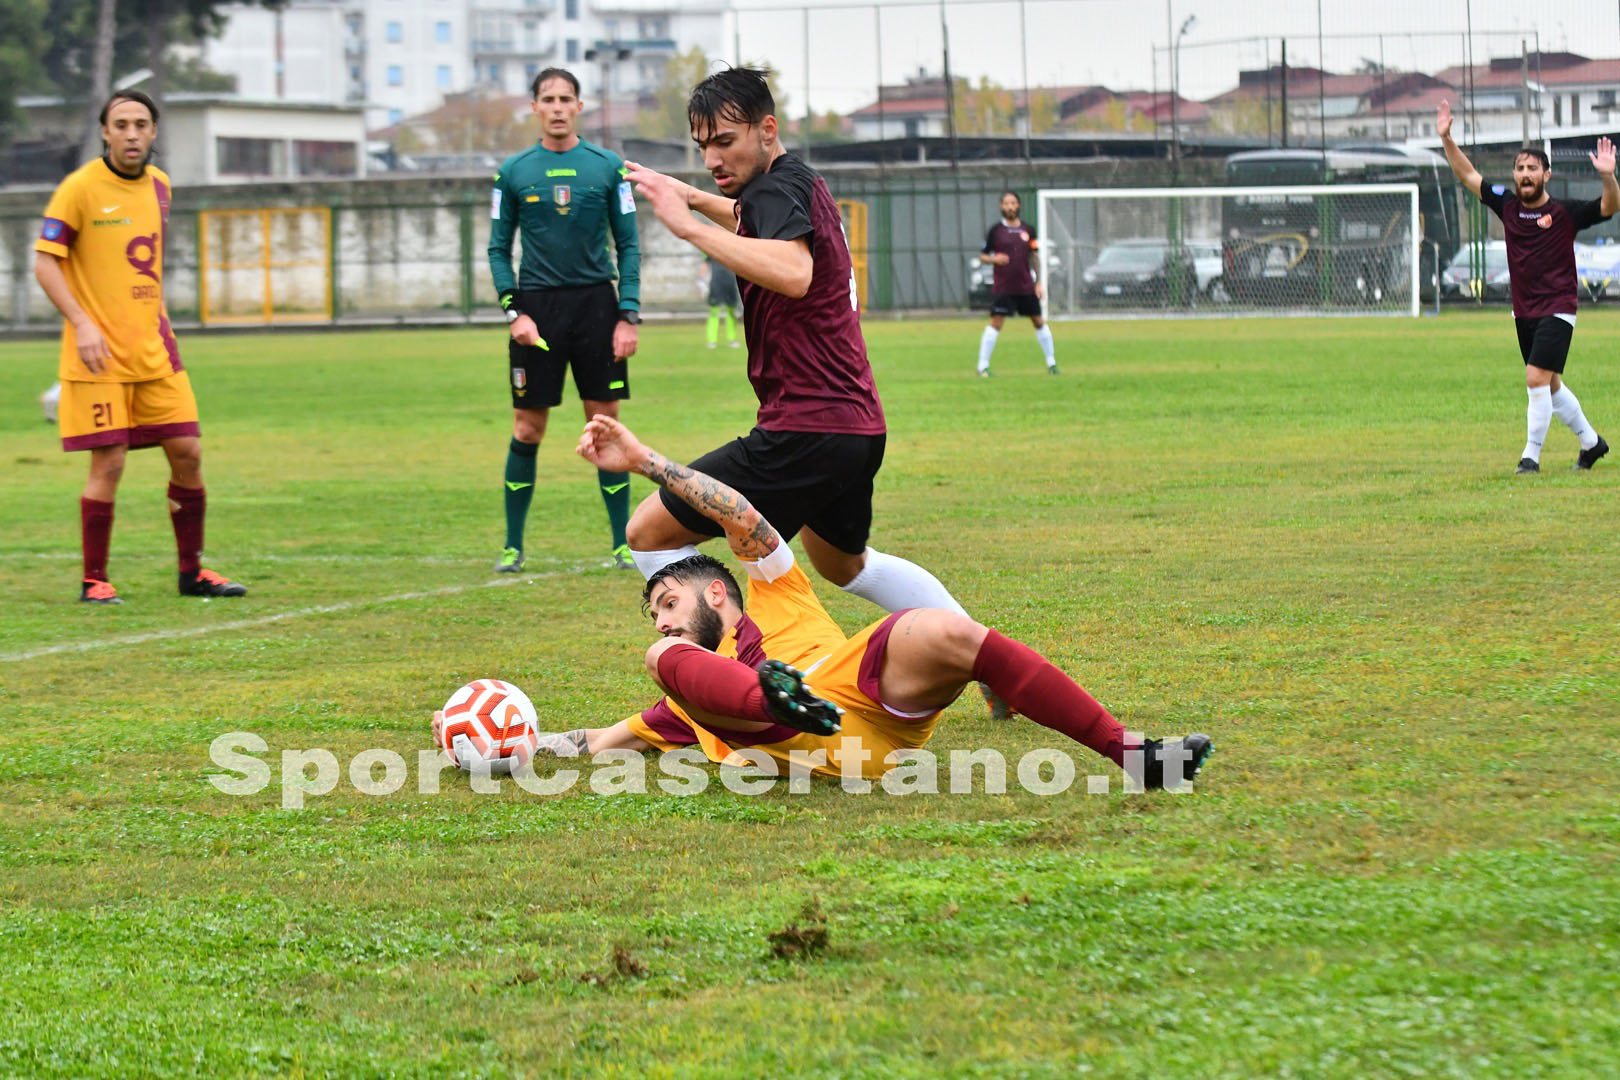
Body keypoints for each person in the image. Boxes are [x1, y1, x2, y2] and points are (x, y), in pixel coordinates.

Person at [462, 413, 1210, 790]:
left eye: (665, 598)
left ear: (715, 589)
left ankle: (1136, 754)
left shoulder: (774, 590)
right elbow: (582, 744)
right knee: (666, 663)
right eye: (653, 606)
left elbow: (740, 514)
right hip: (799, 733)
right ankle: (775, 700)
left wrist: (647, 462)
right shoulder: (684, 692)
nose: (657, 612)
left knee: (943, 632)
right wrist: (476, 748)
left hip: (866, 705)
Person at [619, 66, 971, 628]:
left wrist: (685, 225)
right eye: (703, 147)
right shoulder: (797, 182)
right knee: (846, 565)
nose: (713, 160)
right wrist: (690, 195)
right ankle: (979, 651)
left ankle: (739, 674)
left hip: (804, 428)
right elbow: (749, 218)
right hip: (856, 427)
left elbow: (792, 271)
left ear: (767, 129)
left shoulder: (773, 189)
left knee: (647, 534)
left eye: (726, 143)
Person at [33, 90, 247, 604]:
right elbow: (45, 263)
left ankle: (192, 573)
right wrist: (83, 323)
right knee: (109, 462)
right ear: (106, 132)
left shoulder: (161, 187)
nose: (132, 133)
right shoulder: (79, 188)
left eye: (141, 124)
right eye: (121, 124)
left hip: (155, 350)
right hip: (98, 354)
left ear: (154, 132)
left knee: (188, 453)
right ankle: (94, 581)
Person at [488, 67, 642, 572]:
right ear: (533, 107)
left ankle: (623, 543)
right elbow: (496, 249)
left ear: (580, 106)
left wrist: (628, 315)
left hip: (598, 308)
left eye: (566, 99)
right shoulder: (512, 172)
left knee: (604, 425)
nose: (557, 107)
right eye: (548, 98)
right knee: (528, 428)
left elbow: (629, 243)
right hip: (538, 311)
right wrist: (515, 312)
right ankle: (513, 546)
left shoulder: (607, 167)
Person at [1437, 100, 1616, 473]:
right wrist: (1447, 138)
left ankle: (1529, 458)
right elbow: (1467, 175)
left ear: (1546, 175)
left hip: (1559, 307)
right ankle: (1591, 443)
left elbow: (1610, 206)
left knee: (1535, 377)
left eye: (1532, 168)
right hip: (1524, 311)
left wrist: (1607, 176)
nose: (1524, 174)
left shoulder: (1565, 212)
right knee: (1549, 387)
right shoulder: (1506, 205)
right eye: (1520, 168)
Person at [977, 191, 1057, 377]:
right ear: (1001, 206)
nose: (1010, 206)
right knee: (996, 323)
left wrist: (1038, 283)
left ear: (1018, 205)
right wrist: (994, 259)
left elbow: (1034, 257)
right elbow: (982, 256)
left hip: (1025, 286)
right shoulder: (995, 231)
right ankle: (983, 366)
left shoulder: (1028, 230)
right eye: (1006, 203)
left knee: (1038, 321)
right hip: (1004, 286)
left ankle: (1052, 363)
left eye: (1013, 203)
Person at [703, 256, 741, 349]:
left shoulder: (733, 251)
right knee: (714, 312)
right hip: (716, 284)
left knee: (731, 312)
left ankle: (732, 339)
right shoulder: (712, 251)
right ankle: (712, 341)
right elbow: (704, 264)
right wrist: (701, 281)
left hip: (730, 284)